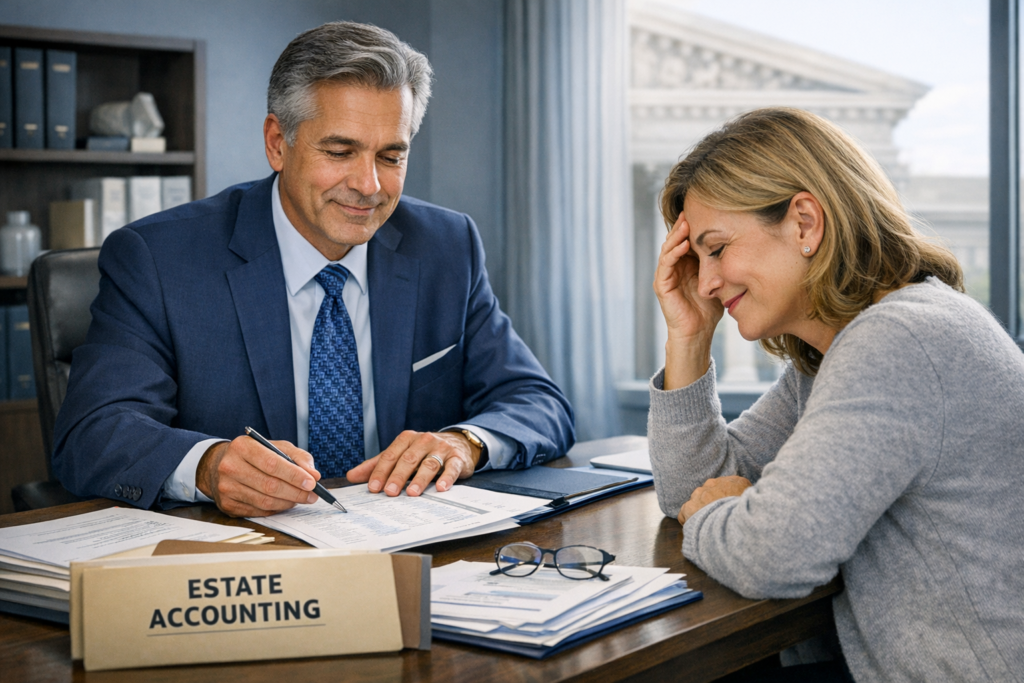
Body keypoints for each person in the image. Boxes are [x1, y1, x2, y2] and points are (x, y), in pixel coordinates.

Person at [53, 21, 574, 518]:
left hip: (410, 546)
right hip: (238, 565)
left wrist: (464, 443)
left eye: (391, 157)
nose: (369, 184)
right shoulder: (159, 258)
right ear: (278, 143)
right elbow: (93, 434)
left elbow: (537, 403)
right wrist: (208, 466)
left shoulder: (445, 245)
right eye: (341, 151)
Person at [649, 107, 1024, 682]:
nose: (703, 282)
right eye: (696, 259)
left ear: (804, 222)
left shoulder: (900, 341)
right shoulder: (833, 355)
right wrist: (689, 337)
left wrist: (719, 512)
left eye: (717, 249)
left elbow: (773, 554)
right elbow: (687, 489)